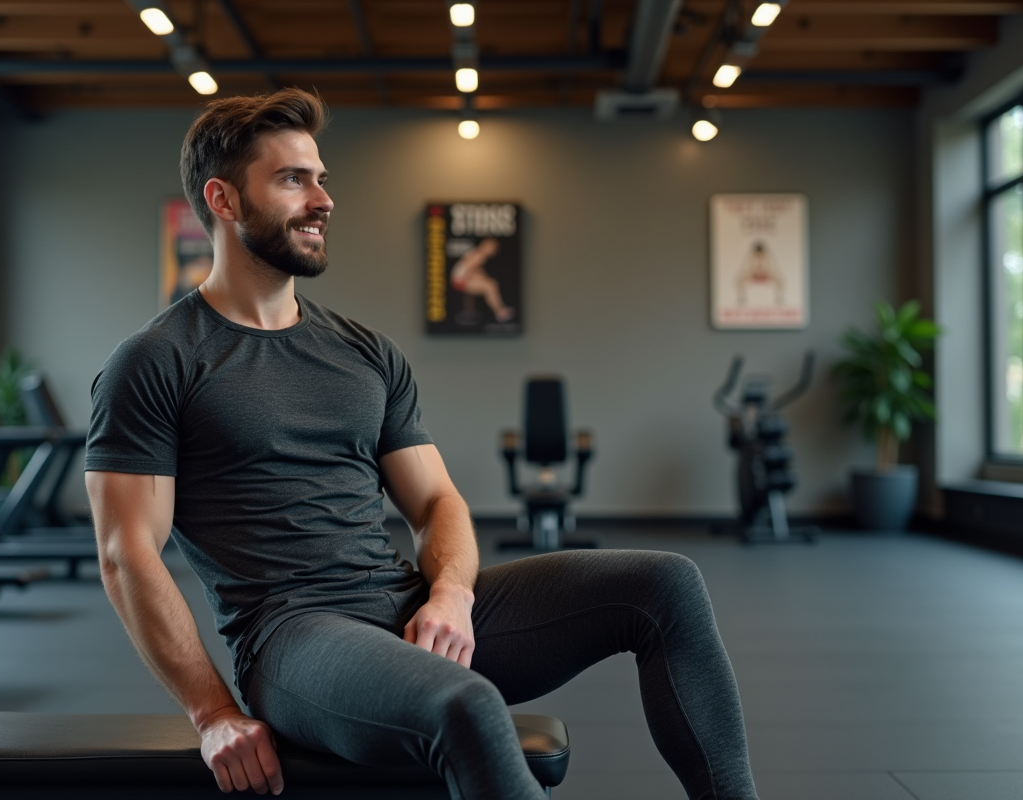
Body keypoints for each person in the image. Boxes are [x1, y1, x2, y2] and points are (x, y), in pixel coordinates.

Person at [85, 89, 759, 800]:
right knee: (466, 705)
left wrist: (452, 595)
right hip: (294, 639)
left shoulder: (363, 351)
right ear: (223, 200)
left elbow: (437, 501)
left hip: (406, 608)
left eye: (322, 177)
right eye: (293, 180)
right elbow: (126, 552)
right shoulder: (158, 360)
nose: (323, 199)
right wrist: (214, 711)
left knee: (666, 585)